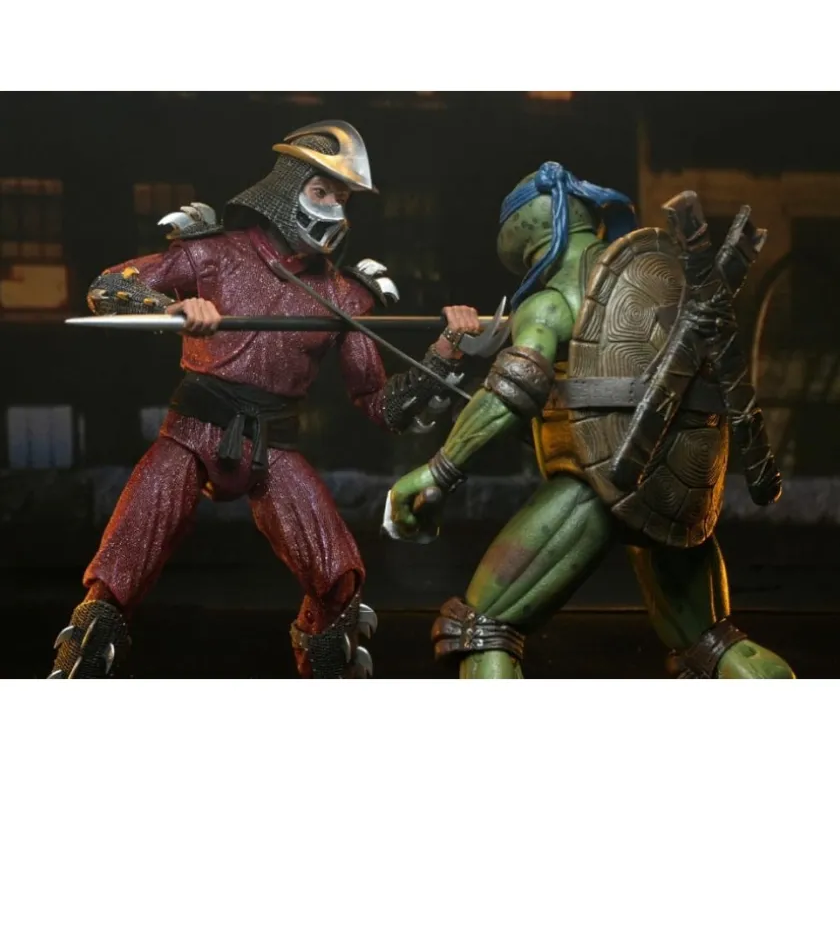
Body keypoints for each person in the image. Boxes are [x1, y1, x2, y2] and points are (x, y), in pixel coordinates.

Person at [49, 120, 479, 679]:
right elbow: (110, 287)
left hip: (273, 447)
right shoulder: (213, 254)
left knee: (339, 582)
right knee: (117, 573)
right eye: (321, 192)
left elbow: (382, 405)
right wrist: (171, 309)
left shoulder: (343, 295)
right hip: (192, 433)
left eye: (342, 199)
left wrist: (448, 346)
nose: (333, 209)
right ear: (286, 189)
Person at [384, 162, 795, 679]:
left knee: (481, 629)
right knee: (713, 647)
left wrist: (437, 472)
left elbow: (511, 394)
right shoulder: (669, 283)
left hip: (594, 485)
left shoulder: (551, 302)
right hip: (677, 494)